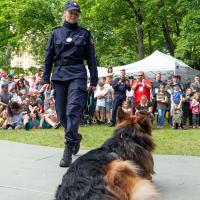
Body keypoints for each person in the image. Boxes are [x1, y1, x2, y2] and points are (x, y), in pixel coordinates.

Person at [43, 1, 98, 167]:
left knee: (73, 110)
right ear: (65, 14)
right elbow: (48, 57)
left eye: (76, 13)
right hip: (59, 75)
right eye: (71, 12)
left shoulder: (84, 34)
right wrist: (46, 79)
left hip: (77, 75)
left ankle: (68, 148)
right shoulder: (56, 33)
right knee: (61, 114)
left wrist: (94, 80)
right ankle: (75, 137)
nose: (73, 15)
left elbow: (91, 59)